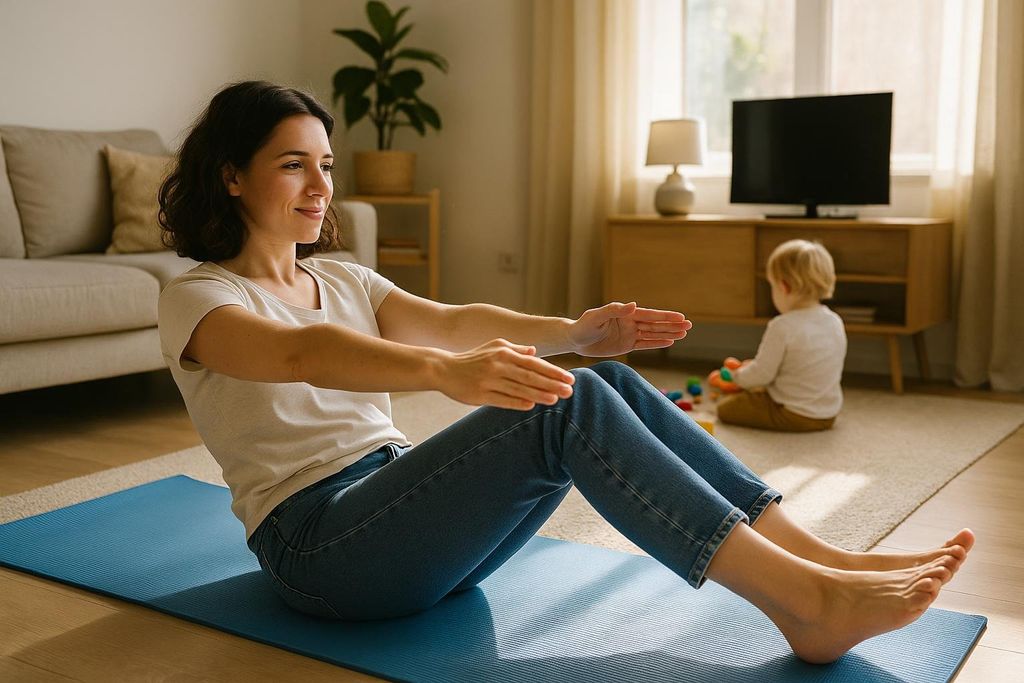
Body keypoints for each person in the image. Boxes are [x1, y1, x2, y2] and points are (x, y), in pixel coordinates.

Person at [156, 81, 973, 665]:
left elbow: (453, 319)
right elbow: (299, 355)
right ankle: (808, 605)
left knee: (597, 382)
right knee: (561, 409)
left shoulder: (339, 277)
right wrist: (443, 373)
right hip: (321, 549)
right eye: (294, 164)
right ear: (232, 174)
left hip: (398, 522)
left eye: (326, 165)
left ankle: (820, 561)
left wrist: (576, 333)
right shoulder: (196, 296)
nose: (321, 186)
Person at [716, 239, 847, 432]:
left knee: (726, 408)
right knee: (761, 387)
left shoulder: (781, 326)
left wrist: (738, 378)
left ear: (784, 287)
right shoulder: (834, 320)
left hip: (792, 413)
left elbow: (763, 373)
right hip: (828, 414)